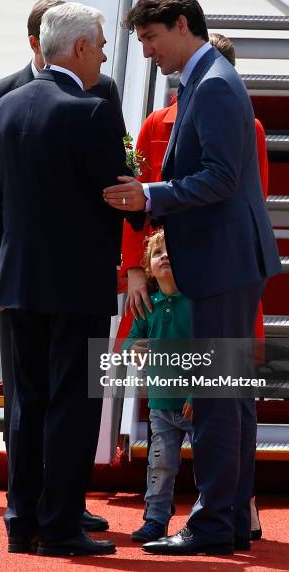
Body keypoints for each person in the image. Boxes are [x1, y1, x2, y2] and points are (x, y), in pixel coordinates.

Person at [104, 0, 281, 556]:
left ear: (183, 25)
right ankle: (224, 523)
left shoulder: (214, 87)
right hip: (224, 265)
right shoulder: (206, 83)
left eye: (152, 39)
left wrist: (150, 194)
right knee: (220, 399)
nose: (149, 52)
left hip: (222, 267)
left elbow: (221, 178)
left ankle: (212, 525)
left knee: (214, 400)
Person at [0, 1, 143, 557]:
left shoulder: (4, 106)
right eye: (99, 43)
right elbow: (120, 195)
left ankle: (21, 519)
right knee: (73, 405)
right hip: (75, 285)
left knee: (26, 404)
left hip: (18, 280)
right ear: (78, 48)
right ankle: (59, 526)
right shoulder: (90, 111)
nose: (102, 52)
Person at [123, 230, 193, 543]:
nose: (164, 256)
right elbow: (127, 345)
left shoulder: (196, 306)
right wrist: (133, 350)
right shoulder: (148, 306)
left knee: (208, 466)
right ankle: (155, 520)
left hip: (197, 404)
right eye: (157, 253)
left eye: (172, 251)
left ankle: (208, 518)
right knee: (160, 465)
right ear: (148, 267)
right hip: (161, 405)